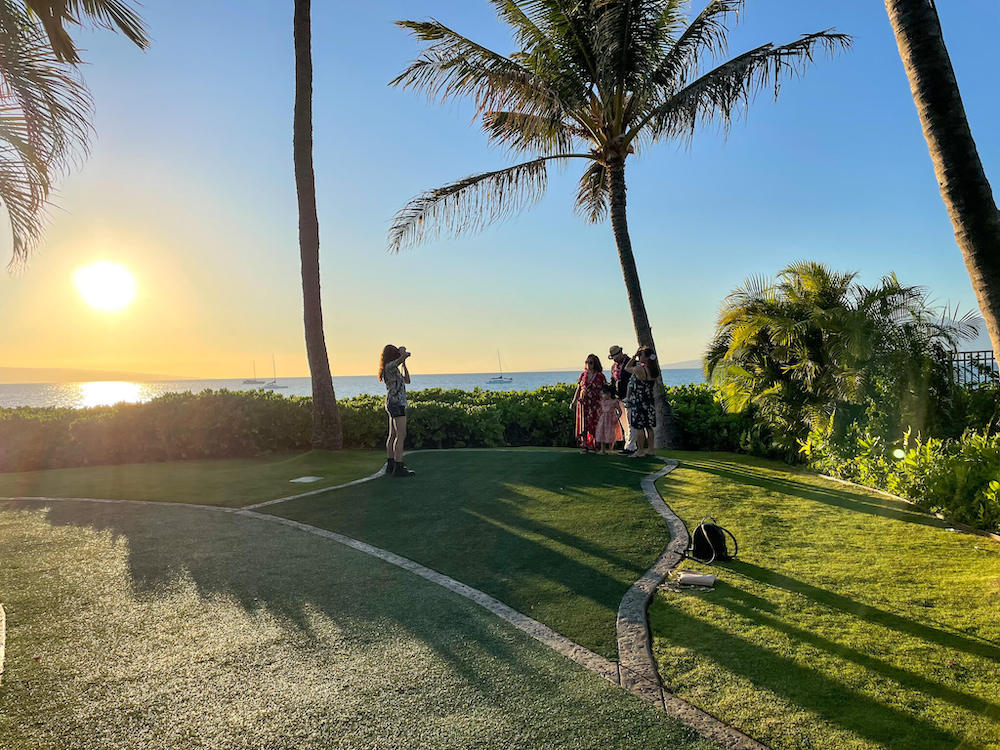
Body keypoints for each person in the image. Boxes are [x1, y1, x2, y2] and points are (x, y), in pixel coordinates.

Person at [378, 344, 415, 477]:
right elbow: (405, 354)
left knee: (393, 434)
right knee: (401, 435)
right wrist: (402, 353)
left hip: (392, 403)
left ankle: (391, 464)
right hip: (397, 404)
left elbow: (407, 381)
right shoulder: (390, 367)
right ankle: (398, 466)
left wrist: (404, 364)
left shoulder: (393, 369)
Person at [624, 346, 659, 457]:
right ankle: (651, 450)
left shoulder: (640, 369)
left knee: (639, 427)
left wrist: (634, 356)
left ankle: (640, 451)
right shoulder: (654, 370)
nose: (639, 357)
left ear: (646, 358)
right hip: (649, 402)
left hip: (639, 401)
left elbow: (627, 367)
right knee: (649, 427)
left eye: (641, 355)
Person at [571, 354, 607, 452]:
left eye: (591, 362)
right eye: (586, 362)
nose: (588, 364)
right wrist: (573, 402)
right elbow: (578, 389)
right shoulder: (582, 375)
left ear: (595, 364)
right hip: (583, 403)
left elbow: (604, 390)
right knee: (583, 424)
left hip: (595, 403)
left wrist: (605, 403)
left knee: (595, 423)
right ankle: (584, 444)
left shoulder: (600, 376)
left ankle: (596, 444)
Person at [608, 345, 637, 455]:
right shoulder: (613, 367)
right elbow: (613, 381)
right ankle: (628, 445)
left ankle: (631, 446)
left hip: (629, 397)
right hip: (618, 397)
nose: (615, 358)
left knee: (631, 423)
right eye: (613, 357)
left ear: (621, 353)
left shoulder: (630, 362)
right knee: (624, 423)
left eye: (616, 355)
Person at [594, 384, 624, 454]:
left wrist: (617, 417)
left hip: (611, 420)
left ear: (609, 394)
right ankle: (602, 449)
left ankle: (611, 449)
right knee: (602, 432)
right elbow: (599, 409)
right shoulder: (602, 401)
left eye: (603, 394)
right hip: (603, 419)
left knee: (611, 433)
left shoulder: (614, 402)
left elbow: (620, 411)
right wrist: (599, 415)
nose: (602, 396)